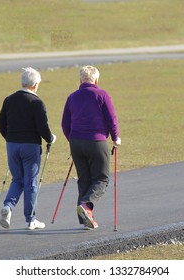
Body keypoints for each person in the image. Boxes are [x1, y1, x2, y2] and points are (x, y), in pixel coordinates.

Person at [61, 65, 121, 230]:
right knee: (102, 179)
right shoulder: (102, 94)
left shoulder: (72, 97)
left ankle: (86, 219)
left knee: (84, 180)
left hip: (76, 142)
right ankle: (87, 207)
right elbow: (112, 119)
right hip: (96, 142)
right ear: (96, 80)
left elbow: (65, 123)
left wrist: (72, 139)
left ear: (80, 80)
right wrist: (115, 138)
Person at [0, 67, 56, 230]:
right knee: (31, 182)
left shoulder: (9, 99)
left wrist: (10, 138)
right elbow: (42, 127)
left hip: (12, 146)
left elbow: (0, 124)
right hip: (30, 147)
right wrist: (50, 138)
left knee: (17, 180)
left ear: (22, 82)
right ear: (35, 84)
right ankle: (30, 220)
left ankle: (8, 207)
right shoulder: (37, 102)